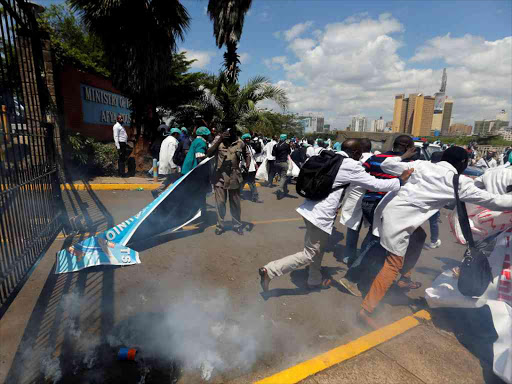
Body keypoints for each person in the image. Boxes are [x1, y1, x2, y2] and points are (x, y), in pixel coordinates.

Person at [357, 146, 512, 329]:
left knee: (419, 237)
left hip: (389, 211)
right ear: (463, 163)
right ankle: (366, 310)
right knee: (393, 264)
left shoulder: (421, 165)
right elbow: (493, 201)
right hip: (400, 222)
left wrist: (404, 157)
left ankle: (404, 278)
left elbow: (387, 164)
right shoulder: (457, 182)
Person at [258, 139, 413, 291]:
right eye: (359, 154)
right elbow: (375, 184)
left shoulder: (328, 156)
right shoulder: (350, 165)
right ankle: (270, 270)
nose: (360, 156)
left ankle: (314, 279)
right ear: (356, 152)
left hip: (309, 208)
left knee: (318, 248)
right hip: (320, 215)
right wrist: (399, 181)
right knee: (310, 254)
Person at [207, 127, 251, 235]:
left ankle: (237, 225)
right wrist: (219, 140)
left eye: (230, 132)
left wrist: (247, 164)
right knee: (220, 203)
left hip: (234, 176)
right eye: (225, 132)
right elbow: (209, 153)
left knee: (235, 203)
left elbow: (247, 154)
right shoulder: (218, 140)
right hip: (219, 177)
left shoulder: (240, 142)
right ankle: (220, 225)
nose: (228, 134)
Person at [339, 138, 373, 265]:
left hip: (354, 197)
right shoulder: (377, 159)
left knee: (353, 228)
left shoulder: (352, 160)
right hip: (372, 198)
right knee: (374, 230)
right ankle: (363, 256)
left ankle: (348, 256)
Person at [152, 128, 182, 198]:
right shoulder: (172, 141)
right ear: (175, 134)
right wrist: (173, 166)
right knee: (177, 182)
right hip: (170, 165)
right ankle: (176, 197)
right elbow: (171, 155)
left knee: (170, 180)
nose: (179, 136)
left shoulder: (166, 139)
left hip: (165, 163)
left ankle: (157, 190)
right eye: (178, 135)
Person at [240, 133, 262, 203]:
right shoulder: (242, 147)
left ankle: (254, 197)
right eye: (246, 139)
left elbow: (252, 157)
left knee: (249, 182)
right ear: (243, 139)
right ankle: (238, 195)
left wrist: (255, 164)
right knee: (245, 182)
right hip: (245, 167)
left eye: (249, 138)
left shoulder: (249, 146)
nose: (248, 140)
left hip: (251, 168)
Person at [272, 134, 292, 200]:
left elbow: (273, 154)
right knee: (283, 177)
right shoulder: (286, 145)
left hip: (276, 163)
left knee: (282, 177)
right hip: (283, 163)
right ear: (285, 139)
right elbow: (289, 152)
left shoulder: (276, 145)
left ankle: (285, 190)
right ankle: (279, 189)